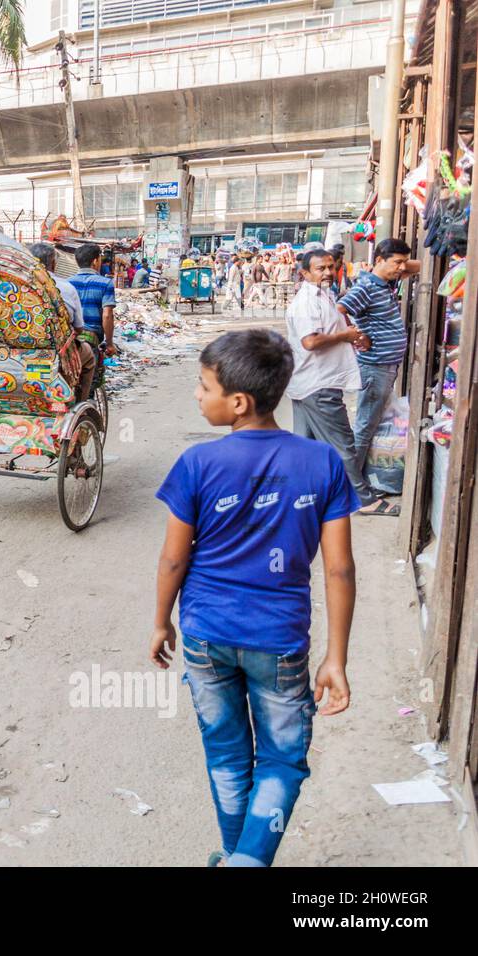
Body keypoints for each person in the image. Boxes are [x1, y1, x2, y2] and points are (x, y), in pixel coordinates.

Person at [151, 328, 357, 867]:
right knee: (282, 760)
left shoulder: (197, 464)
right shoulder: (323, 462)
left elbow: (174, 559)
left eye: (204, 386)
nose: (197, 395)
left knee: (225, 753)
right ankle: (248, 857)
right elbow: (339, 569)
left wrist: (161, 621)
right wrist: (335, 658)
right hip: (279, 640)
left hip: (205, 633)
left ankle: (236, 855)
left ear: (238, 402)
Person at [286, 248, 380, 513]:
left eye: (331, 267)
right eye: (321, 268)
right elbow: (311, 341)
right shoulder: (307, 302)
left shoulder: (323, 296)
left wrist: (350, 335)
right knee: (343, 445)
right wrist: (345, 337)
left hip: (312, 382)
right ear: (305, 273)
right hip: (318, 384)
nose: (328, 272)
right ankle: (363, 500)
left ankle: (303, 494)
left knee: (307, 445)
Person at [336, 237, 412, 516]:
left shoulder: (384, 282)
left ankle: (356, 485)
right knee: (364, 427)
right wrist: (356, 335)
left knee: (369, 426)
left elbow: (412, 266)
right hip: (374, 367)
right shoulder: (367, 285)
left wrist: (401, 262)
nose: (402, 268)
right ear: (379, 260)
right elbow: (339, 310)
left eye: (403, 262)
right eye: (397, 262)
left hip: (385, 366)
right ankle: (352, 491)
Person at [30, 241, 96, 402]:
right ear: (53, 263)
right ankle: (81, 402)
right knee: (90, 357)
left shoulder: (15, 286)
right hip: (56, 351)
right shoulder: (65, 287)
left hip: (19, 351)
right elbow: (78, 328)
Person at [67, 243, 119, 360]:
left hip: (70, 337)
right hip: (92, 337)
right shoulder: (106, 283)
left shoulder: (67, 283)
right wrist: (109, 343)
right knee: (92, 375)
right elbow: (107, 315)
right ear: (95, 261)